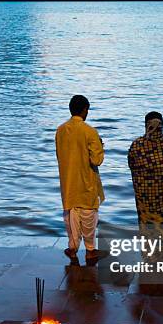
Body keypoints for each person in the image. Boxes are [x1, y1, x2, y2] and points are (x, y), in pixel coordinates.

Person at [56, 95, 104, 262]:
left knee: (71, 216)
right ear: (84, 110)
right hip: (86, 183)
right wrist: (101, 145)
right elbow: (96, 160)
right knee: (88, 217)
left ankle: (73, 247)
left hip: (68, 183)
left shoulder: (60, 130)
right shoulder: (89, 131)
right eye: (87, 109)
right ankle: (90, 250)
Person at [128, 112, 163, 236]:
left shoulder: (137, 145)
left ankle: (148, 254)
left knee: (147, 232)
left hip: (144, 199)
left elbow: (132, 165)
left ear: (146, 125)